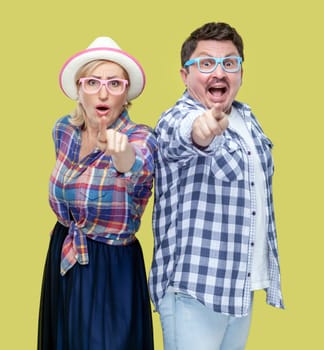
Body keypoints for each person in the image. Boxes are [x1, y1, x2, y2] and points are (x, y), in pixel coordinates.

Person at [149, 22, 285, 350]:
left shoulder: (247, 119)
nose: (219, 73)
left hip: (240, 286)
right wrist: (203, 131)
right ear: (185, 74)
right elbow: (182, 136)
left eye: (229, 63)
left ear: (240, 70)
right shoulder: (176, 117)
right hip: (195, 290)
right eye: (206, 63)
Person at [38, 36, 156, 350]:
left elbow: (141, 173)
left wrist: (123, 156)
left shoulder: (141, 137)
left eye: (114, 83)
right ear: (79, 89)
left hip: (110, 267)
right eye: (93, 82)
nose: (103, 92)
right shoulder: (63, 130)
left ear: (126, 94)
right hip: (64, 254)